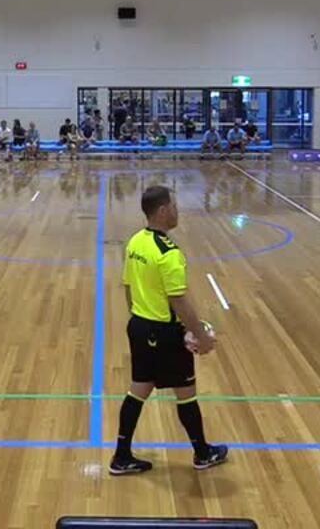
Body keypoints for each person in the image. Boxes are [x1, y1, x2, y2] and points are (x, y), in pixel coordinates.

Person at [111, 185, 227, 476]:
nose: (177, 211)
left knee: (139, 388)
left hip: (139, 326)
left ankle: (121, 456)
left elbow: (127, 286)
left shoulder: (136, 242)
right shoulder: (169, 253)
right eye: (174, 206)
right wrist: (200, 335)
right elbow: (179, 300)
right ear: (163, 210)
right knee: (186, 393)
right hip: (164, 333)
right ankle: (202, 453)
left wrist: (140, 318)